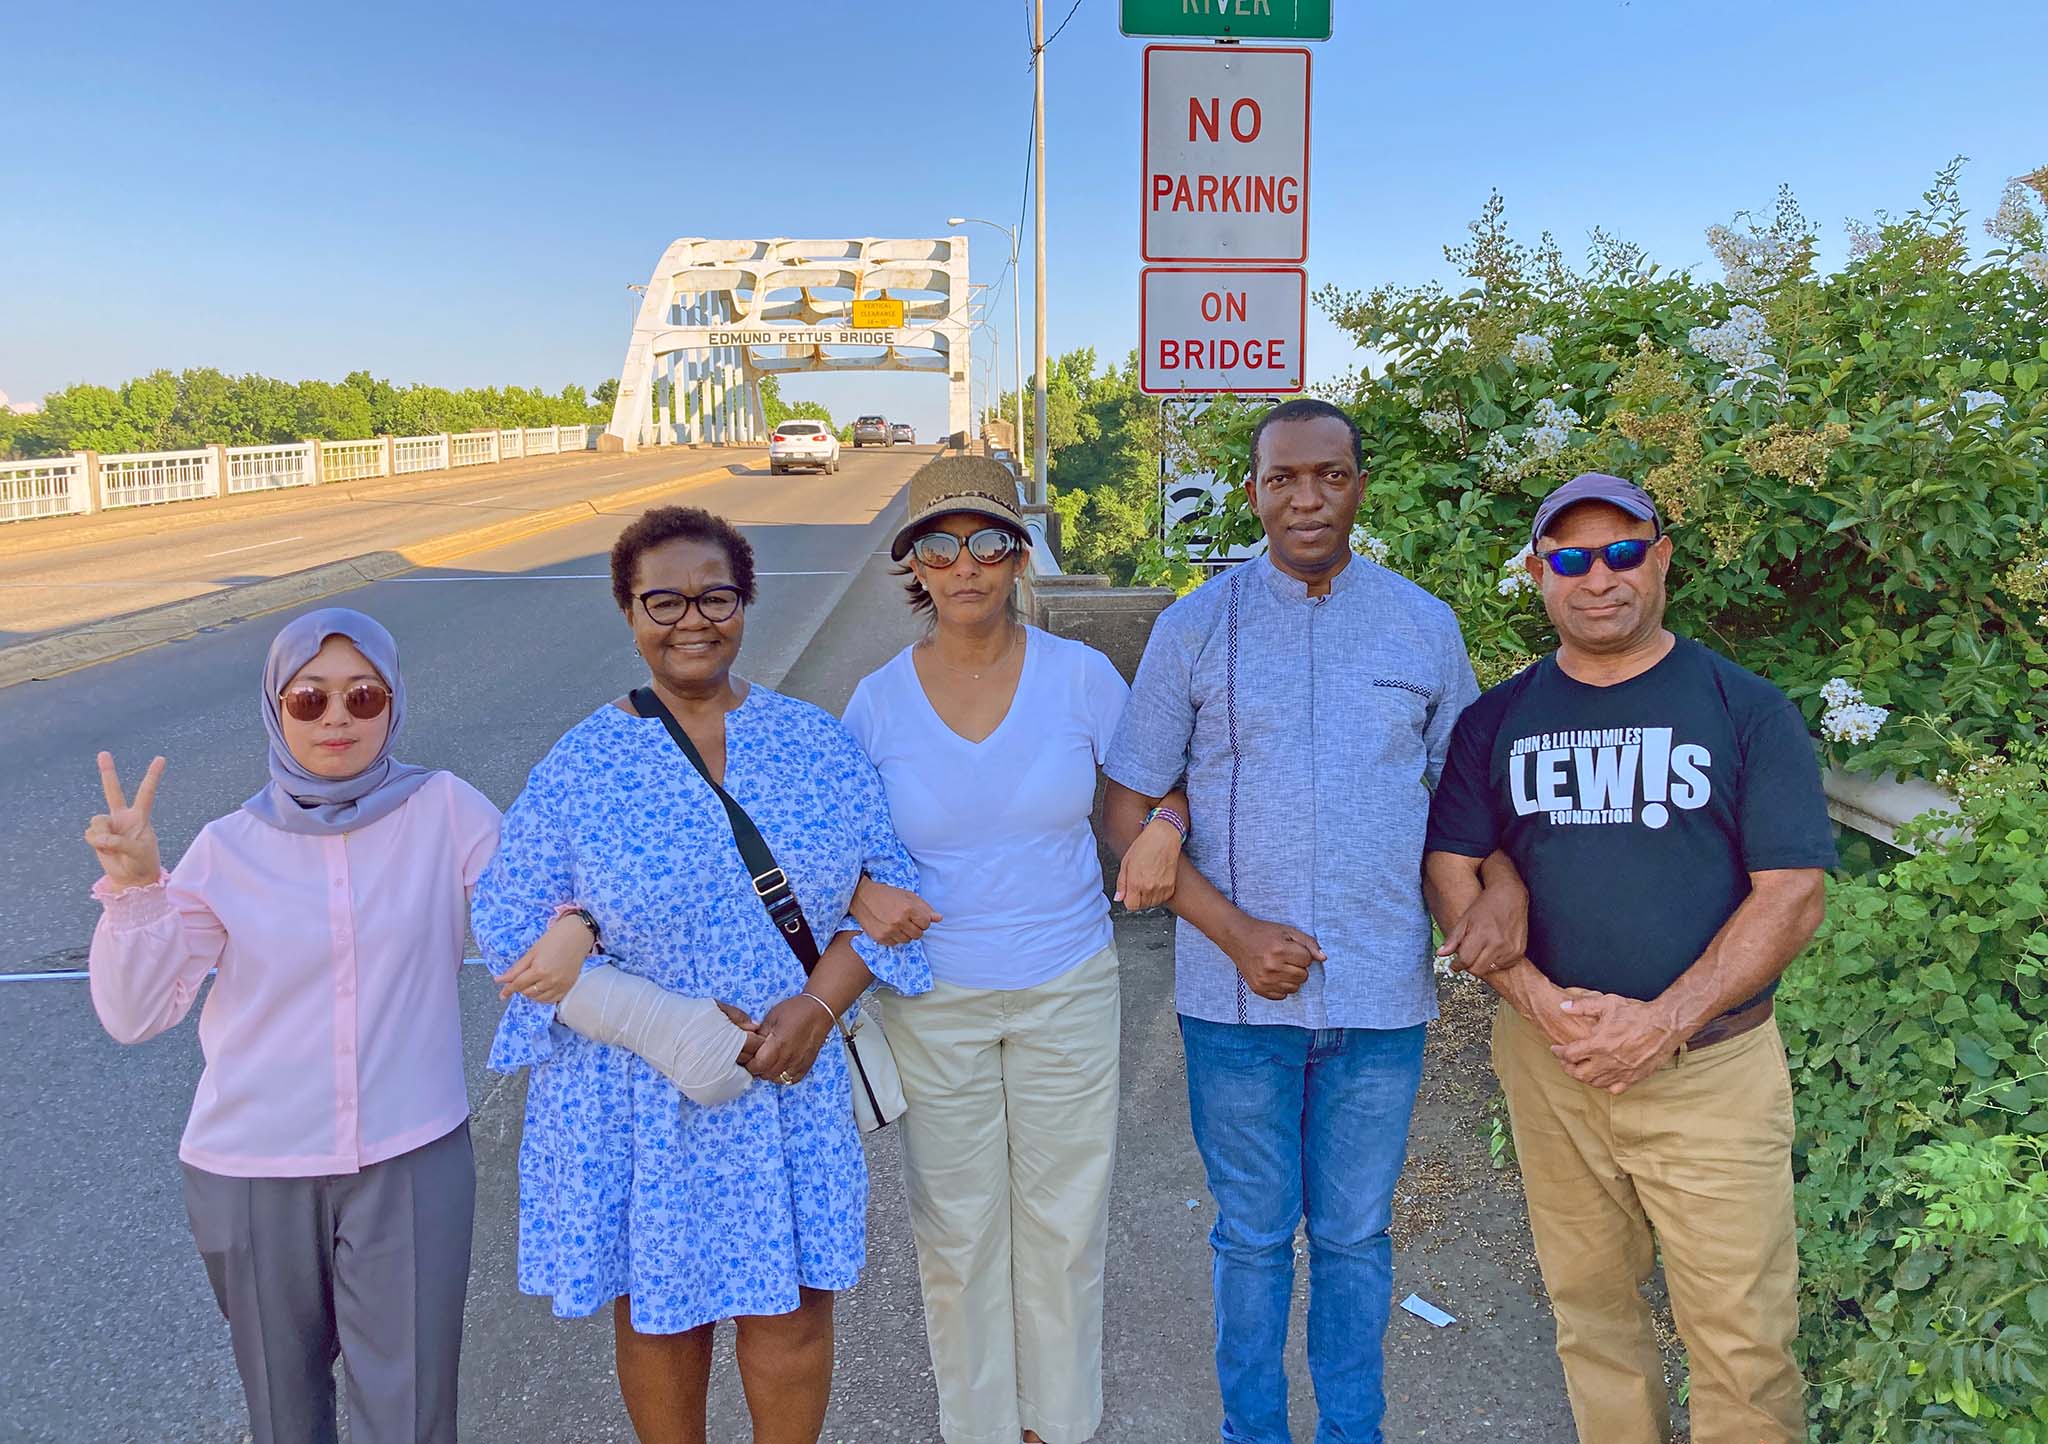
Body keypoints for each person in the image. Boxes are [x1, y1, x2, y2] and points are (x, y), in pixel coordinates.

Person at [471, 504, 932, 1444]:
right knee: (660, 1318)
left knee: (793, 1314)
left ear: (746, 602)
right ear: (629, 612)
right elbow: (511, 918)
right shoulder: (583, 764)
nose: (692, 620)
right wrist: (591, 949)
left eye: (715, 596)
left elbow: (892, 889)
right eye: (663, 601)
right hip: (637, 1091)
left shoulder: (813, 744)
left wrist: (817, 1004)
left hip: (784, 1072)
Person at [80, 607, 561, 1444]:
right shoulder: (228, 847)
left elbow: (531, 909)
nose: (338, 717)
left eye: (363, 695)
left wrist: (575, 925)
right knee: (285, 1414)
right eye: (310, 699)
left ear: (393, 702)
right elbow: (134, 1013)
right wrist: (136, 889)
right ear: (277, 707)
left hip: (411, 1156)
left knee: (411, 1415)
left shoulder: (445, 810)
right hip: (251, 1170)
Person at [1423, 472, 1835, 1444]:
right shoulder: (1495, 719)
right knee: (1590, 1318)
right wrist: (1531, 1000)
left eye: (1619, 552)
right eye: (1568, 558)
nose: (1595, 577)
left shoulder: (1744, 708)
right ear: (1536, 575)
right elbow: (1448, 864)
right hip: (1550, 1066)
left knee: (1742, 1344)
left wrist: (1661, 1022)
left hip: (1709, 1071)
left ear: (1659, 558)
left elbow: (1792, 894)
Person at [1101, 397, 1484, 1444]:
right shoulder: (1195, 625)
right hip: (1231, 1008)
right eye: (1282, 479)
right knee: (1254, 1239)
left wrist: (1490, 909)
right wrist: (1230, 930)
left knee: (1357, 1238)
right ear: (1253, 491)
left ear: (1360, 483)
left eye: (1328, 475)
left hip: (1378, 999)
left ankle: (1351, 1431)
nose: (1305, 498)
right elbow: (1125, 803)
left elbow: (1463, 800)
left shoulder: (1420, 624)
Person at [839, 456, 1187, 1444]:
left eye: (986, 540)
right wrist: (864, 891)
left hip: (1065, 985)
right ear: (913, 566)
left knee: (1064, 1229)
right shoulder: (874, 702)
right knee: (956, 1237)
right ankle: (982, 1429)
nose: (964, 564)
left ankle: (1059, 1427)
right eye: (938, 546)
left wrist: (1163, 821)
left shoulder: (1080, 677)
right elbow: (835, 842)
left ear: (1016, 554)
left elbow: (1145, 790)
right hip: (931, 1000)